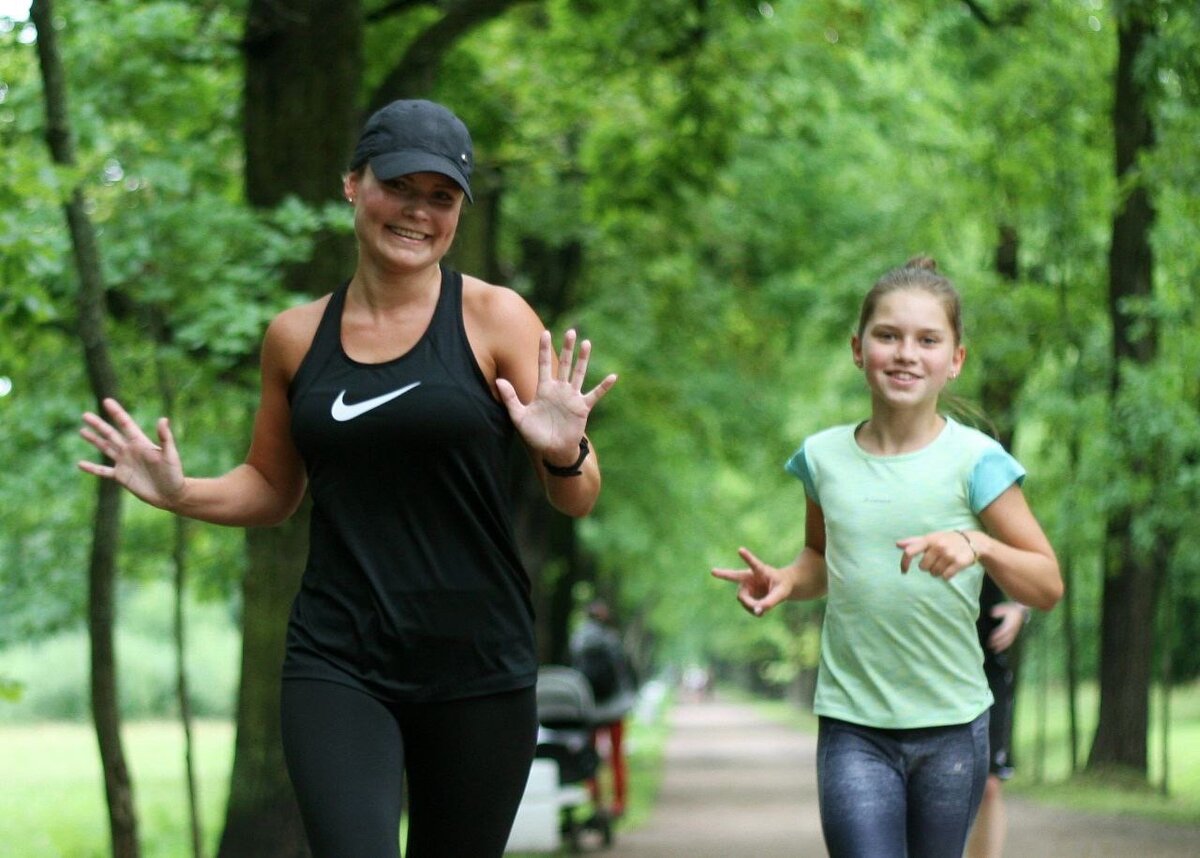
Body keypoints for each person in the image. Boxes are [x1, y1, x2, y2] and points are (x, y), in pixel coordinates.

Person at [78, 99, 617, 858]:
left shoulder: (496, 319)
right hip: (339, 660)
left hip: (478, 665)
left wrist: (566, 449)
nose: (418, 212)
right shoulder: (295, 338)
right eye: (400, 186)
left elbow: (578, 495)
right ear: (353, 185)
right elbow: (272, 487)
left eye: (442, 197)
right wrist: (180, 493)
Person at [711, 256, 1062, 858]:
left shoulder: (977, 462)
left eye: (928, 340)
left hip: (953, 728)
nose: (906, 353)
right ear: (858, 348)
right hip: (854, 725)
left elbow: (1047, 584)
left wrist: (977, 543)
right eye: (888, 336)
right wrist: (787, 580)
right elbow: (824, 560)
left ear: (955, 361)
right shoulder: (822, 459)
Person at [967, 576, 1029, 858]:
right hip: (922, 660)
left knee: (989, 784)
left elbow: (1033, 559)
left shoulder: (990, 531)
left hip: (987, 661)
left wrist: (1020, 608)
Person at [569, 598, 638, 819]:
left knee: (591, 756)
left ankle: (596, 802)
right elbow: (624, 672)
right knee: (617, 755)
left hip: (589, 709)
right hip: (616, 707)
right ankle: (619, 803)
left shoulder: (576, 640)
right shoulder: (612, 639)